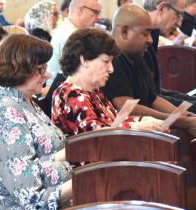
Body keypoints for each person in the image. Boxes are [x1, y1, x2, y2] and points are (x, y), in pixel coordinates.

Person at [0, 34, 72, 210]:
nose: (47, 75)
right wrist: (88, 178)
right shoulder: (6, 111)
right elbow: (35, 201)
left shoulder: (24, 101)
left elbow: (42, 161)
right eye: (40, 69)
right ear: (19, 69)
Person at [102, 3, 196, 136]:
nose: (151, 40)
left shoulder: (136, 56)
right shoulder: (113, 61)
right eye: (145, 34)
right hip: (126, 139)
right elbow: (128, 109)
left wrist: (187, 115)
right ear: (124, 32)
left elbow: (152, 99)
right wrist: (183, 122)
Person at [52, 28, 163, 136]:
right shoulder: (70, 94)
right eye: (106, 61)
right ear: (84, 60)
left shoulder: (93, 90)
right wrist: (138, 126)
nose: (111, 69)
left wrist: (144, 119)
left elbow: (114, 121)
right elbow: (96, 134)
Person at [46, 0, 102, 85]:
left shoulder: (68, 30)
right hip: (61, 92)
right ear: (80, 10)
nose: (99, 17)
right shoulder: (71, 36)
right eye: (95, 12)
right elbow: (82, 75)